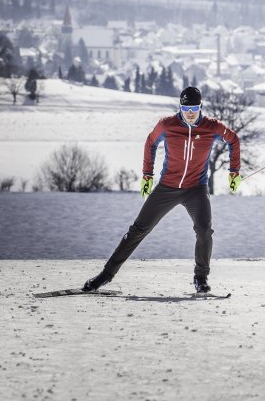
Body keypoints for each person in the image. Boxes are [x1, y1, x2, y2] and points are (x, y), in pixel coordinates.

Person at [83, 86, 242, 294]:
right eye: (186, 108)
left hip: (196, 188)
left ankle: (200, 278)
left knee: (204, 231)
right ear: (180, 107)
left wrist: (234, 171)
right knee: (138, 230)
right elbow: (150, 142)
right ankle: (105, 275)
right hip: (167, 187)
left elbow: (233, 139)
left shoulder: (212, 127)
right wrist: (147, 175)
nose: (190, 112)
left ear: (201, 107)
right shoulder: (167, 124)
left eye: (194, 108)